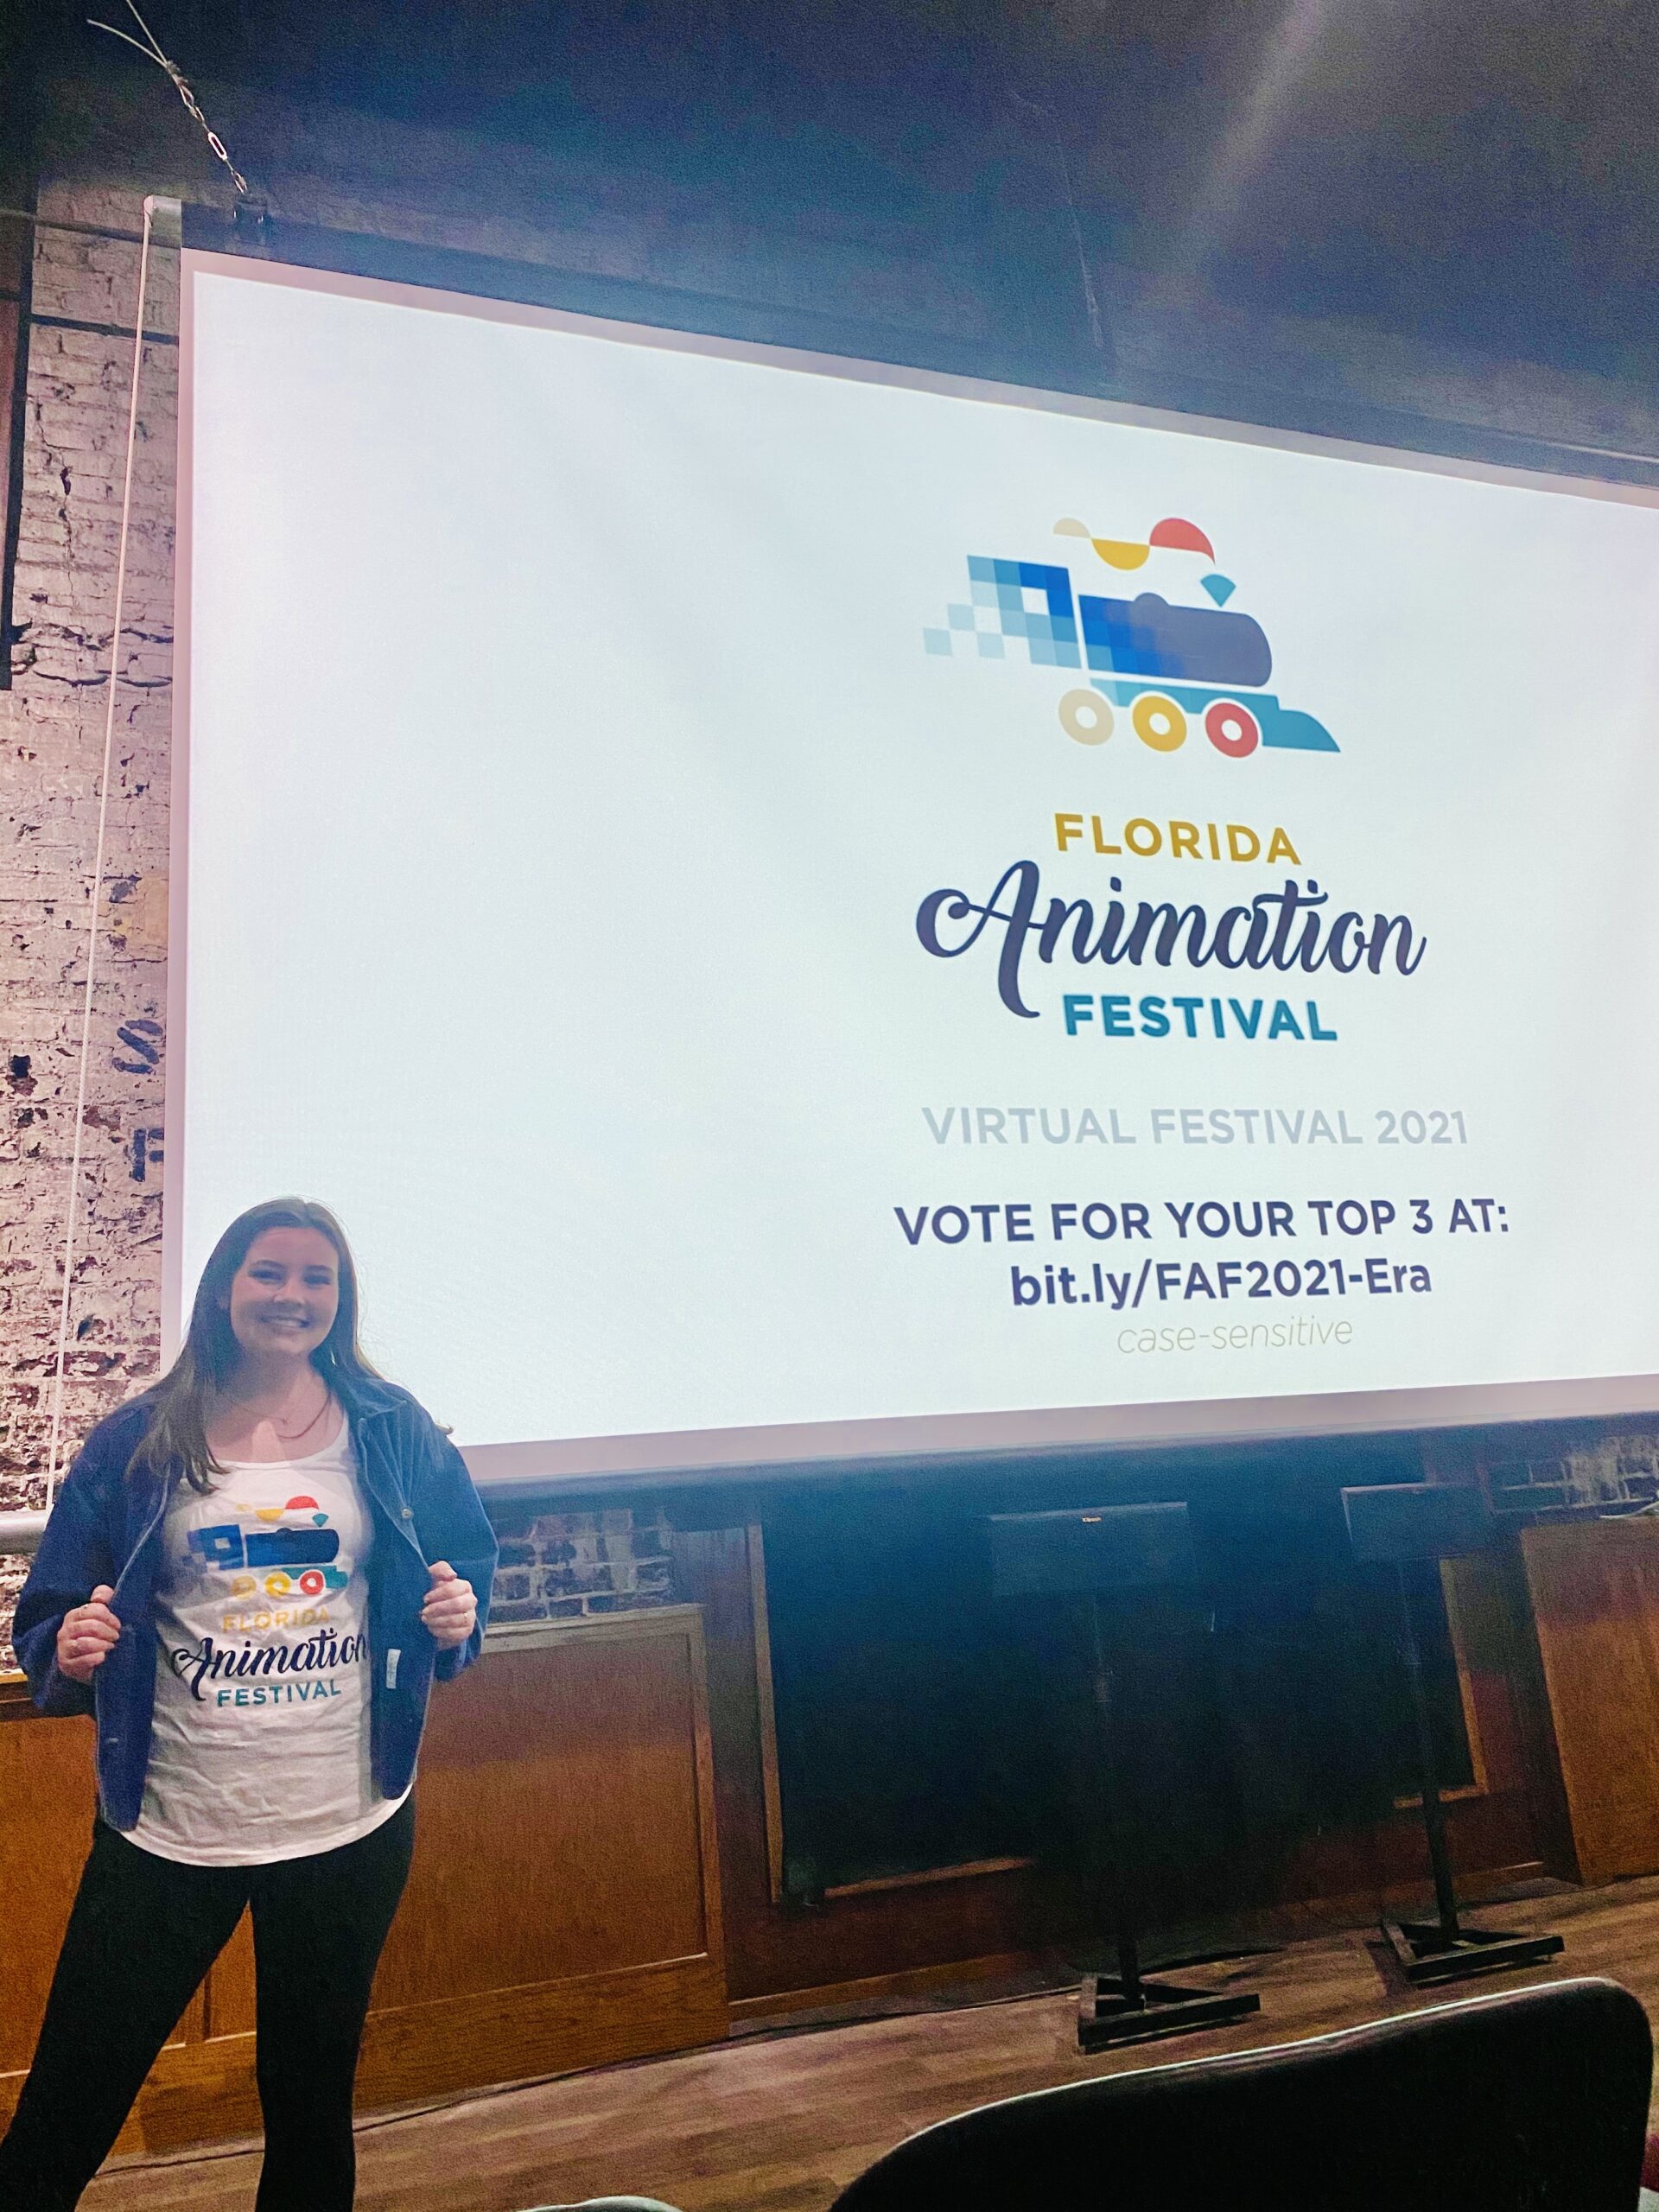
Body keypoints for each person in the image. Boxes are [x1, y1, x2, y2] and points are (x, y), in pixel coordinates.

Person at [0, 1197, 499, 2212]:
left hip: (350, 1819)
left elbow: (464, 1565)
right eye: (270, 1272)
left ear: (339, 1298)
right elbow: (53, 1608)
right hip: (172, 1826)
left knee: (312, 2102)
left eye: (317, 1278)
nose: (293, 1295)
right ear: (225, 1287)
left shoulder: (391, 1427)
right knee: (70, 2104)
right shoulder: (139, 1438)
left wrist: (459, 1612)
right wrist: (71, 1646)